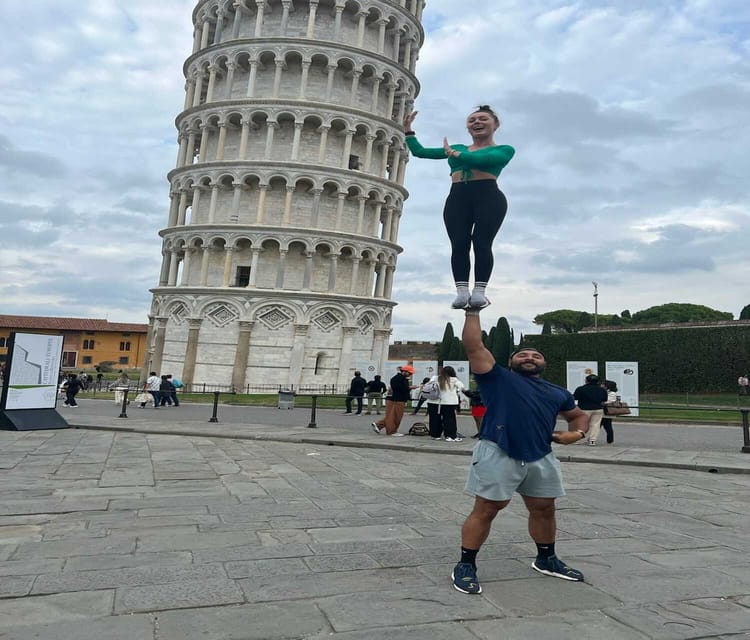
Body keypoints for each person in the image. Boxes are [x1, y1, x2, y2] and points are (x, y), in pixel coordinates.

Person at [451, 309, 590, 595]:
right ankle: (466, 564)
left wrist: (576, 433)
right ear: (511, 361)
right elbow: (474, 345)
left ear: (544, 363)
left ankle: (546, 558)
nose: (529, 358)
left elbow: (577, 415)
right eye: (523, 354)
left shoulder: (557, 392)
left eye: (536, 355)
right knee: (487, 509)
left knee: (544, 508)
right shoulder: (496, 378)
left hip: (541, 455)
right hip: (498, 450)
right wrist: (472, 311)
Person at [403, 105, 515, 310]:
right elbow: (420, 152)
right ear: (467, 127)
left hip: (488, 196)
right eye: (472, 120)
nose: (477, 122)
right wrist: (408, 131)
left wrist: (455, 154)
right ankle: (462, 291)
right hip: (457, 197)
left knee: (482, 242)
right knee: (459, 244)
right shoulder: (458, 148)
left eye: (483, 119)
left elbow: (484, 159)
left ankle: (479, 291)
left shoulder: (504, 149)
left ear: (495, 125)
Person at [426, 366, 466, 441]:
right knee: (449, 419)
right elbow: (461, 386)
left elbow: (429, 385)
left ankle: (435, 435)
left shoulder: (435, 378)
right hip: (449, 402)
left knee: (434, 419)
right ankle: (450, 435)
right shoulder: (454, 379)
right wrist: (457, 391)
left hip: (434, 402)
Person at [372, 365, 415, 436]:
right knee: (395, 417)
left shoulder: (401, 378)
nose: (411, 374)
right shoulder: (398, 378)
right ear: (404, 371)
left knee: (391, 416)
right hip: (396, 400)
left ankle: (379, 425)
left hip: (398, 399)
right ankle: (392, 431)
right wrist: (409, 387)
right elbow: (398, 388)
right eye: (409, 373)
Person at [573, 374, 608, 446]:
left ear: (586, 381)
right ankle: (592, 440)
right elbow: (604, 399)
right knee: (595, 425)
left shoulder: (581, 388)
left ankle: (579, 439)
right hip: (598, 409)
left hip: (584, 409)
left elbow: (575, 397)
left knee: (581, 424)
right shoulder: (602, 390)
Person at [600, 380, 618, 445]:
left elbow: (610, 401)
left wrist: (602, 402)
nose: (601, 385)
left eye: (603, 384)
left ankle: (610, 441)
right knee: (607, 427)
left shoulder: (612, 393)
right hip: (603, 413)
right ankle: (610, 441)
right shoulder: (605, 392)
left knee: (607, 427)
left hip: (606, 413)